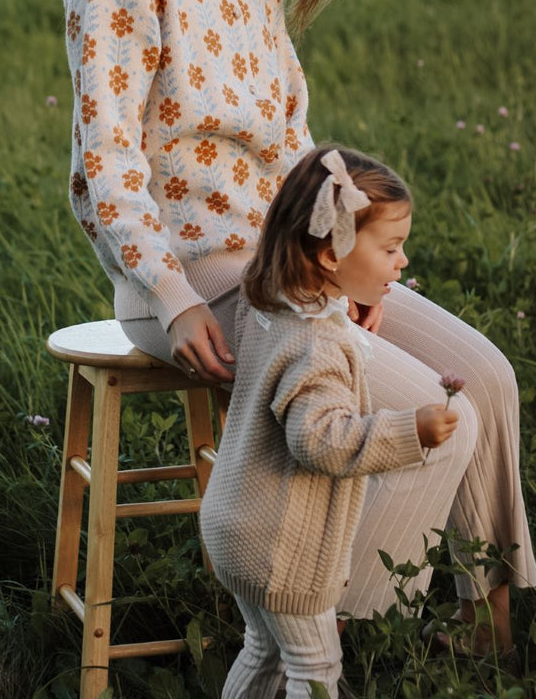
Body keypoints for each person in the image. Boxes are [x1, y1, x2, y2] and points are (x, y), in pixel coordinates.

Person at [63, 0, 536, 663]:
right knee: (436, 421)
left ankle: (490, 640)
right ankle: (309, 640)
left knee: (487, 380)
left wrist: (351, 257)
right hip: (193, 279)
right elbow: (107, 162)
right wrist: (173, 298)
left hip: (294, 263)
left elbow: (293, 145)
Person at [199, 145, 460, 698]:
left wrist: (344, 306)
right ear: (329, 255)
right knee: (315, 668)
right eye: (391, 248)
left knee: (263, 649)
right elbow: (321, 442)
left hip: (237, 523)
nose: (403, 261)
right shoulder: (316, 344)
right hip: (280, 547)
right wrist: (408, 431)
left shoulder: (274, 300)